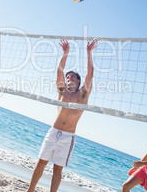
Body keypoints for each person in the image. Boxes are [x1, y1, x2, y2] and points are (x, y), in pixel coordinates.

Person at [27, 39, 98, 192]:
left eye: (72, 77)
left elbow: (90, 74)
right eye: (67, 77)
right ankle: (30, 190)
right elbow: (59, 71)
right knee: (41, 162)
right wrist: (65, 54)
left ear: (78, 81)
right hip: (53, 131)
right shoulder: (62, 91)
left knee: (57, 169)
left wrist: (89, 53)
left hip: (67, 136)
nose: (68, 78)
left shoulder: (83, 95)